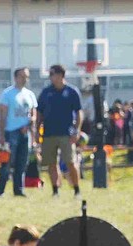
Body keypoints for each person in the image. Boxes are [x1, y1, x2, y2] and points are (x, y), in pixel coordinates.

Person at [36, 64, 83, 198]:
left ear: (61, 75)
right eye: (50, 75)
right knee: (51, 163)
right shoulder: (46, 92)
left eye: (53, 74)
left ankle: (76, 189)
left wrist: (77, 130)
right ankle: (55, 190)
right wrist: (37, 131)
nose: (51, 77)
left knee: (70, 161)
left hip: (66, 134)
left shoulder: (72, 91)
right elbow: (39, 113)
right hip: (49, 133)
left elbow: (79, 112)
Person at [0, 67, 38, 198]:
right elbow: (2, 116)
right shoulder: (7, 94)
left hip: (25, 133)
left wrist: (31, 123)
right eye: (22, 76)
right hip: (10, 132)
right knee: (7, 162)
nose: (24, 79)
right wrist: (2, 135)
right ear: (15, 77)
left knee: (22, 162)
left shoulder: (30, 94)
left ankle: (19, 189)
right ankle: (1, 189)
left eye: (26, 76)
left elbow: (34, 114)